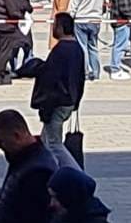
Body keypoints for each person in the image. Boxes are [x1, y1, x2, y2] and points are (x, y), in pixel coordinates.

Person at [20, 13, 85, 142]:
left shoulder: (61, 50)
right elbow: (80, 78)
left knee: (54, 143)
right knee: (46, 139)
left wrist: (46, 104)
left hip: (59, 102)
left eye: (55, 25)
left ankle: (63, 163)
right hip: (69, 100)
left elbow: (51, 79)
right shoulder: (77, 48)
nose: (53, 29)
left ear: (61, 28)